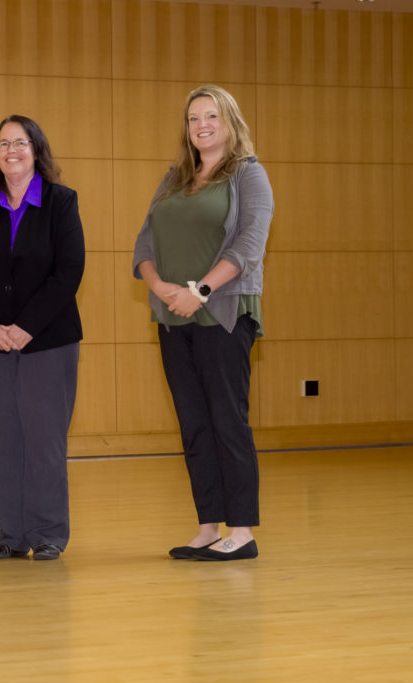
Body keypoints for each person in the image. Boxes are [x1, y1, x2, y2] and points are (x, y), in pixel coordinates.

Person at [132, 85, 273, 561]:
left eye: (211, 116)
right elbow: (145, 243)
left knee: (227, 421)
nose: (201, 125)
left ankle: (242, 531)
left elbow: (249, 245)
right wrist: (159, 287)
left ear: (229, 121)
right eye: (193, 118)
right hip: (173, 317)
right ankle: (208, 526)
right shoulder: (175, 177)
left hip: (224, 314)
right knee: (193, 425)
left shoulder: (248, 175)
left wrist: (201, 291)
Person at [0, 115, 85, 562]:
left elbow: (68, 272)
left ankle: (49, 533)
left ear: (37, 149)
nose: (11, 150)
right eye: (3, 143)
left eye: (21, 142)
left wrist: (26, 327)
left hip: (48, 341)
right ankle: (10, 534)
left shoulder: (61, 202)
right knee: (3, 440)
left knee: (44, 440)